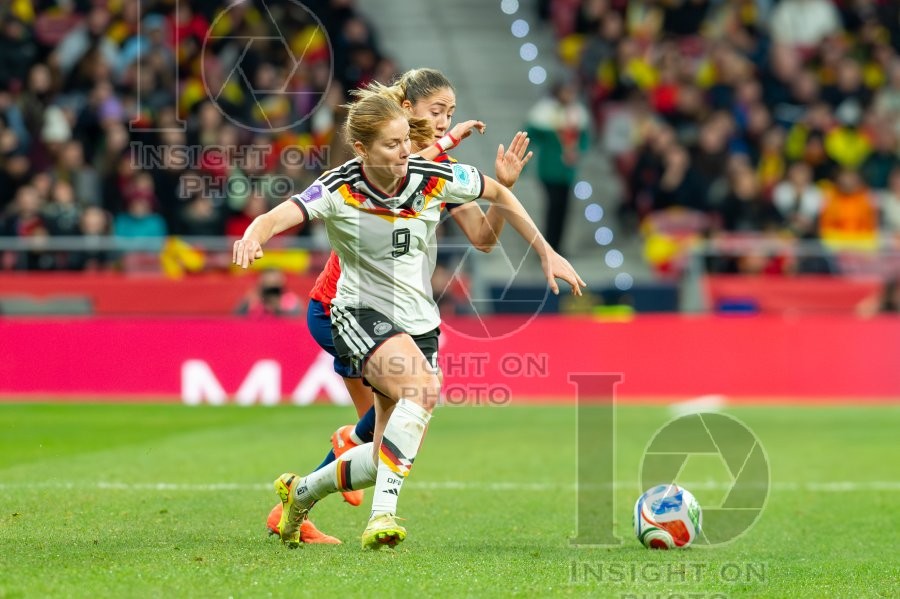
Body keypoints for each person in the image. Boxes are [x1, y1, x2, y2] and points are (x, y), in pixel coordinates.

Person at [233, 92, 584, 550]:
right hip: (359, 313)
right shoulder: (339, 187)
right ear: (362, 149)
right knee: (422, 389)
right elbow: (278, 215)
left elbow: (496, 194)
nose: (405, 153)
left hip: (419, 323)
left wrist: (546, 251)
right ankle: (382, 515)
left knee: (384, 454)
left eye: (405, 141)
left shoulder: (430, 175)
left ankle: (299, 494)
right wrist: (252, 235)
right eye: (392, 144)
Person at [525, 78, 591, 252]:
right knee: (553, 206)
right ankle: (548, 245)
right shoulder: (544, 112)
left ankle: (558, 246)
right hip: (549, 167)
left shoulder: (577, 114)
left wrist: (578, 150)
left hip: (567, 170)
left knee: (564, 208)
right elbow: (529, 136)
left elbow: (584, 140)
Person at [234, 269, 303, 319]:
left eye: (274, 289)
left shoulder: (292, 301)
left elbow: (298, 321)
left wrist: (279, 310)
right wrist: (250, 305)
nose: (271, 293)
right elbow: (236, 318)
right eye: (268, 289)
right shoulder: (252, 300)